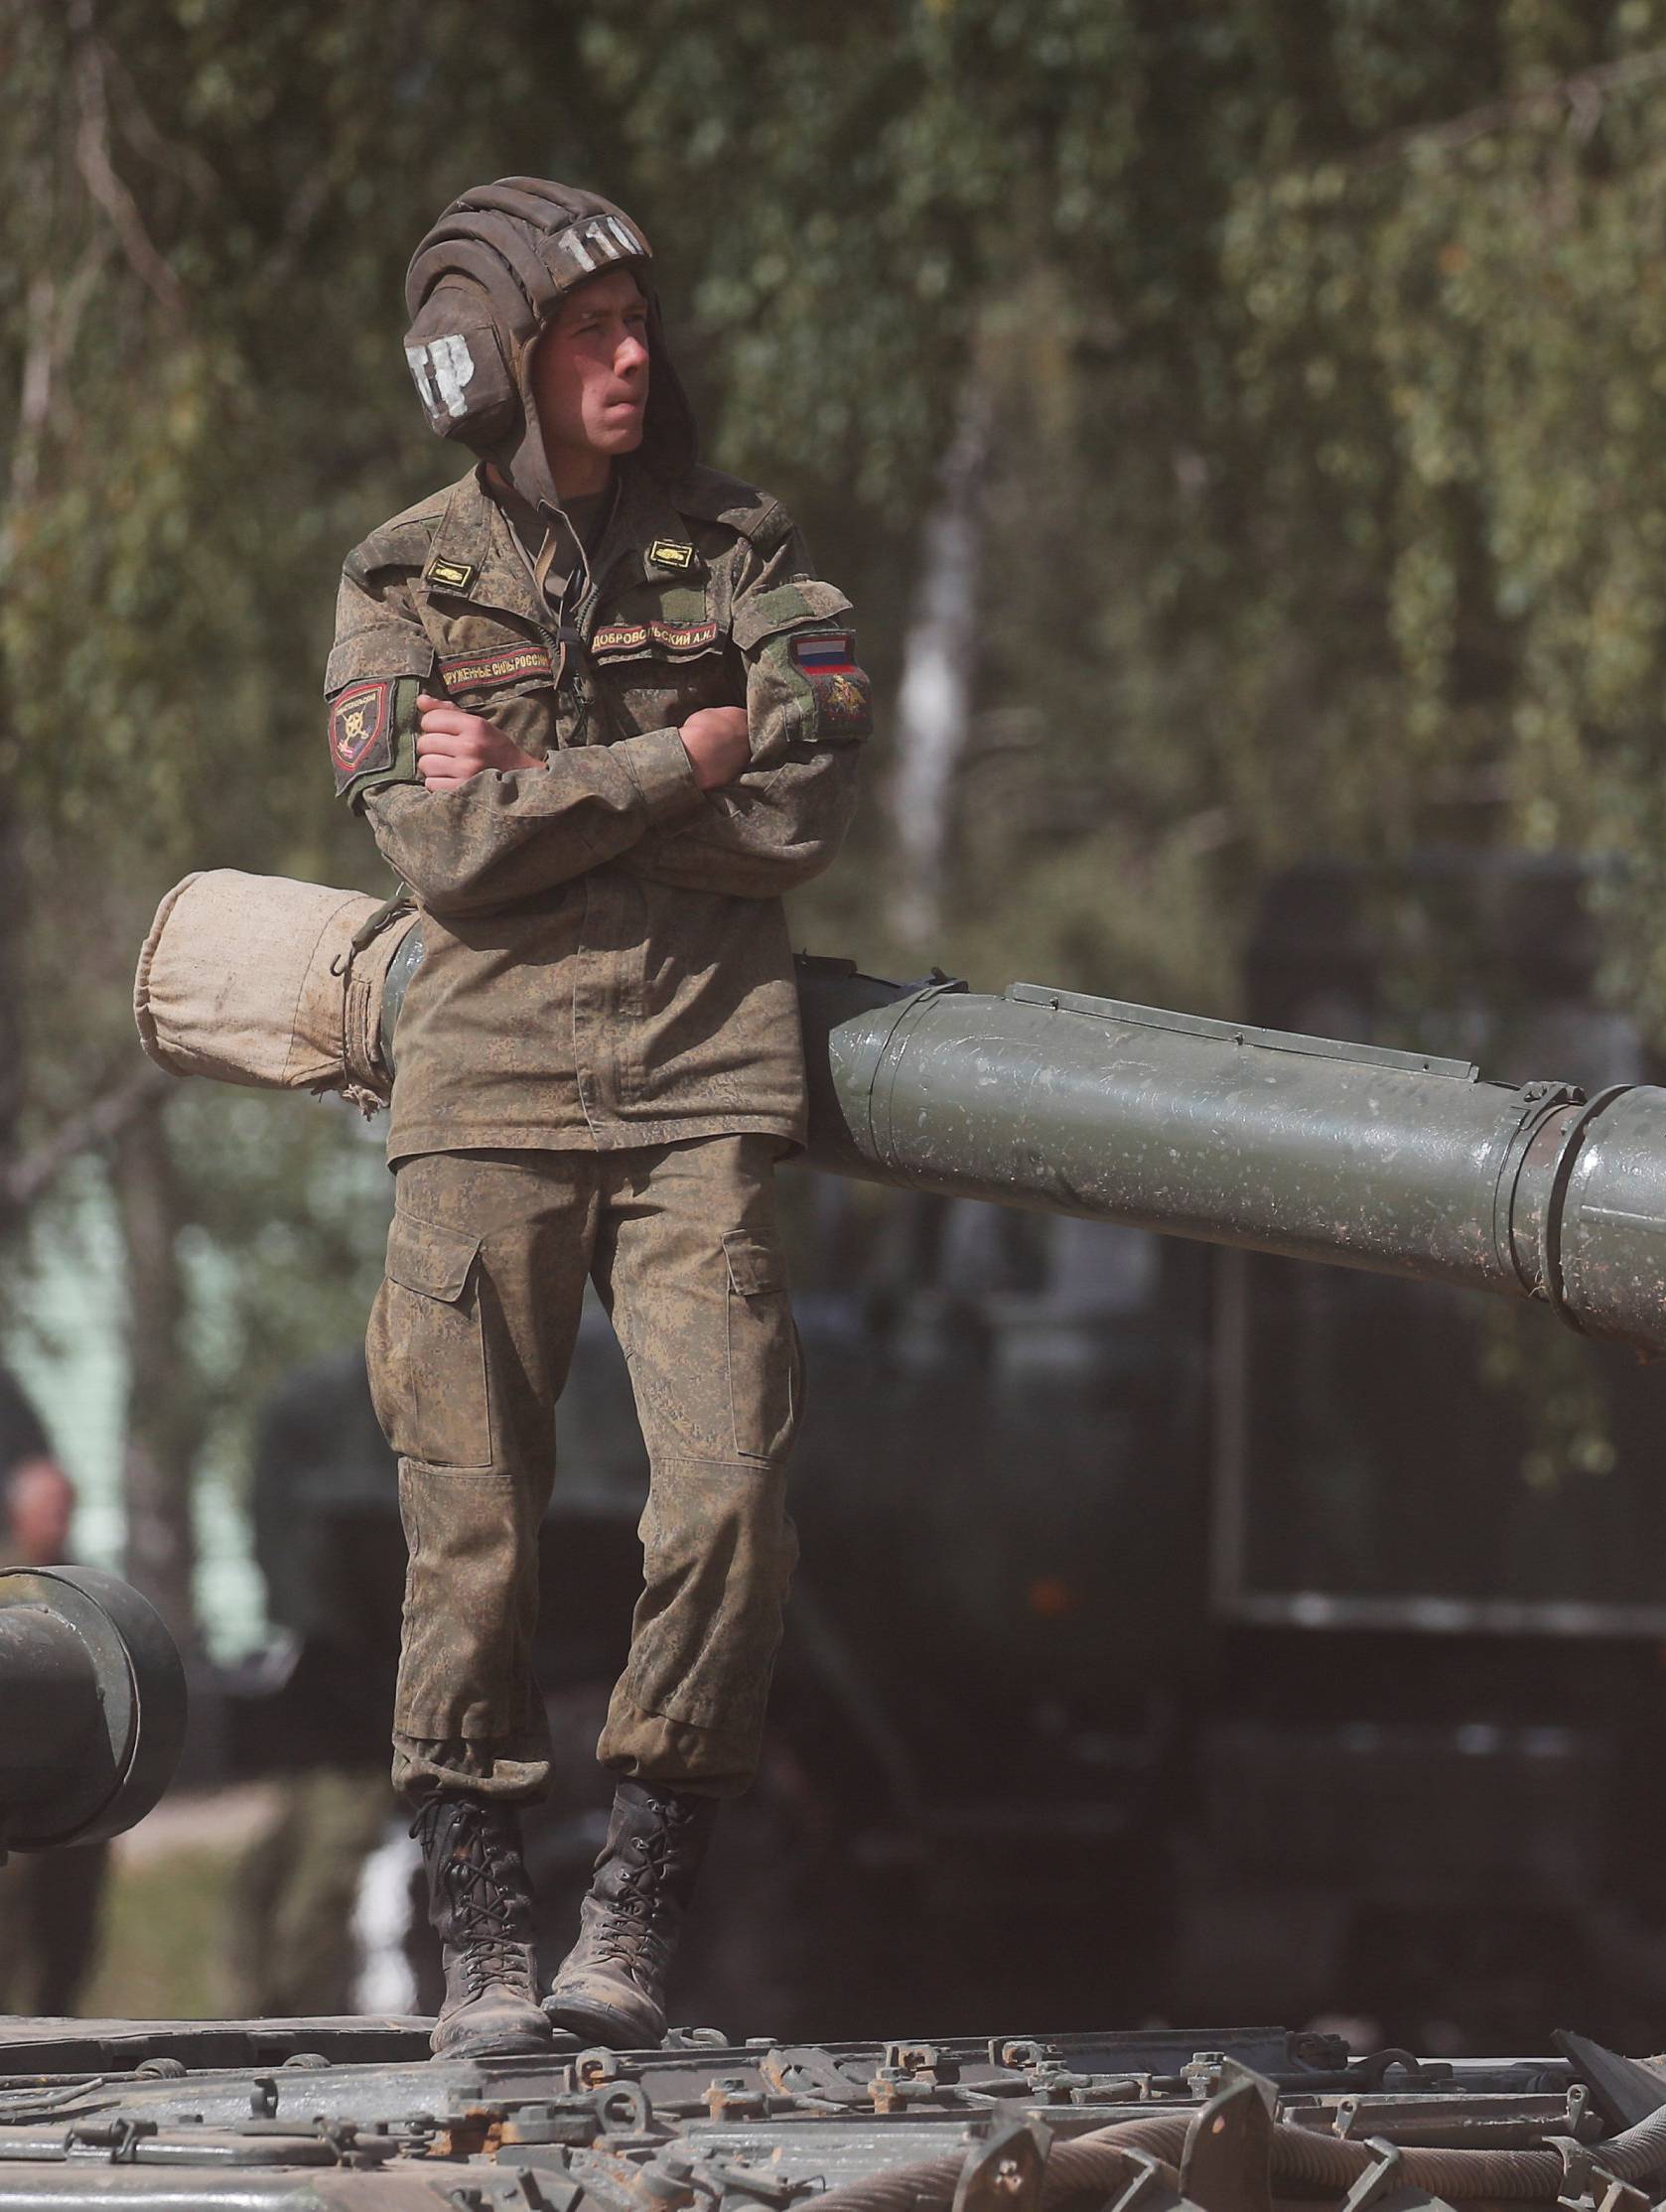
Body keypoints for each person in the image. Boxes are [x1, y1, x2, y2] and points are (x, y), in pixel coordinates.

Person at [326, 179, 870, 2058]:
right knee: (469, 1518)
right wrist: (678, 748)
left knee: (728, 1502)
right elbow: (442, 848)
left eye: (642, 321)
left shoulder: (745, 548)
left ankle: (635, 1892)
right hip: (479, 1093)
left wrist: (552, 774)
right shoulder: (401, 579)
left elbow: (798, 813)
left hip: (705, 1082)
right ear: (493, 361)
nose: (635, 355)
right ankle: (482, 1918)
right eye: (589, 329)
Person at [0, 1391, 110, 2016]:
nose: (59, 1520)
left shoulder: (82, 1587)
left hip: (73, 1797)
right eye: (49, 1508)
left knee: (68, 1940)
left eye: (66, 1507)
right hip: (14, 1797)